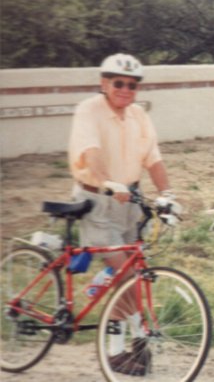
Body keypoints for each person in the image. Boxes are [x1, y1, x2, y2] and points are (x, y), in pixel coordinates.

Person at [68, 53, 176, 376]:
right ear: (104, 83)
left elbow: (153, 159)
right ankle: (129, 344)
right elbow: (91, 153)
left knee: (132, 274)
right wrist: (107, 182)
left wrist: (168, 195)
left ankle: (125, 348)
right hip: (97, 200)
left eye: (132, 85)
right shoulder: (89, 110)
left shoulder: (138, 115)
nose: (125, 90)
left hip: (130, 202)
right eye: (118, 83)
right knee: (126, 275)